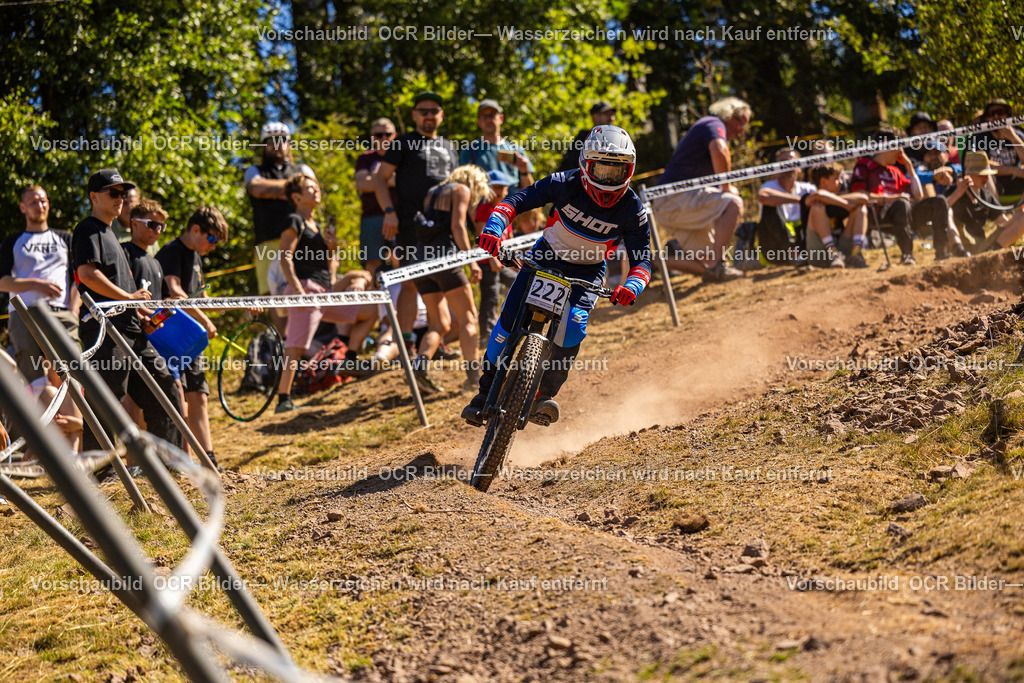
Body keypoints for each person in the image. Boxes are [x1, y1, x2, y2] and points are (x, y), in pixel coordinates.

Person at [463, 125, 651, 427]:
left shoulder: (633, 208)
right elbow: (515, 201)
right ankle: (484, 393)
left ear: (629, 171)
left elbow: (642, 258)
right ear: (585, 164)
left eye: (617, 172)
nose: (607, 180)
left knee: (573, 327)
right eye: (601, 169)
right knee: (506, 324)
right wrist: (493, 229)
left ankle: (543, 396)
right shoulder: (564, 182)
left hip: (589, 270)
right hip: (546, 255)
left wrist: (631, 285)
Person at [71, 169, 182, 452]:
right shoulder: (87, 229)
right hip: (105, 331)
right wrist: (129, 297)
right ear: (94, 197)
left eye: (123, 193)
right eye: (114, 193)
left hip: (133, 332)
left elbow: (126, 293)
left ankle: (166, 464)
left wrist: (145, 315)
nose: (121, 198)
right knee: (106, 398)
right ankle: (102, 470)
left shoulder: (112, 237)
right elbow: (86, 274)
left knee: (165, 388)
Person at [274, 174, 378, 413]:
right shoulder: (295, 220)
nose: (316, 190)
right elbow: (284, 257)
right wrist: (299, 291)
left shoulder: (318, 227)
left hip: (325, 292)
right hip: (305, 289)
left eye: (317, 186)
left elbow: (330, 269)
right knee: (296, 345)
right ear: (296, 197)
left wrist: (332, 249)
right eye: (310, 187)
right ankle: (283, 398)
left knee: (371, 311)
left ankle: (349, 358)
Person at [372, 92, 458, 355]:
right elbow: (379, 178)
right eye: (423, 111)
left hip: (443, 228)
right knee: (410, 281)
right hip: (410, 224)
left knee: (440, 282)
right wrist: (389, 211)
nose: (429, 115)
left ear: (441, 115)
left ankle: (434, 342)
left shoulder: (449, 147)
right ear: (414, 115)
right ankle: (406, 344)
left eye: (434, 110)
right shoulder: (402, 142)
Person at [156, 206, 229, 466]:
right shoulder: (172, 251)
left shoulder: (196, 255)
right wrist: (205, 320)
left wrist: (241, 304)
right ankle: (184, 460)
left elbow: (203, 300)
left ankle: (207, 457)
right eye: (211, 239)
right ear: (196, 229)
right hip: (172, 337)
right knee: (180, 395)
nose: (213, 246)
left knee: (199, 393)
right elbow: (175, 292)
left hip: (192, 337)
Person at [652, 97, 752, 282]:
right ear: (729, 115)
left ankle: (652, 263)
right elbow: (719, 149)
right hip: (673, 199)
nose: (741, 130)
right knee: (733, 203)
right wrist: (727, 187)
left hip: (668, 206)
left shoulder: (706, 128)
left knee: (708, 264)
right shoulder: (713, 123)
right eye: (741, 122)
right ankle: (718, 266)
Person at [408, 165, 488, 395]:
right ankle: (473, 380)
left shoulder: (432, 191)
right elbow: (457, 226)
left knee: (439, 324)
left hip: (422, 262)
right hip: (445, 260)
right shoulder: (460, 190)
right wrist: (471, 260)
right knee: (468, 318)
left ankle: (420, 367)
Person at [0, 185, 80, 390]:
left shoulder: (65, 238)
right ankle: (43, 420)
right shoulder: (12, 241)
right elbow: (3, 281)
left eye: (43, 200)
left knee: (70, 371)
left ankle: (74, 421)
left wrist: (73, 311)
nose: (40, 205)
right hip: (23, 314)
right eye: (33, 202)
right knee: (33, 378)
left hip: (61, 314)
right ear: (22, 207)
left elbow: (77, 280)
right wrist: (36, 284)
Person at [244, 122, 316, 319]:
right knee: (274, 295)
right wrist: (295, 188)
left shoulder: (302, 168)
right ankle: (282, 342)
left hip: (303, 241)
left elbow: (313, 193)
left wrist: (273, 190)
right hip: (268, 241)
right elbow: (257, 188)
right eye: (270, 141)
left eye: (281, 140)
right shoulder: (254, 170)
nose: (276, 145)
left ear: (289, 143)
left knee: (306, 286)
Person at [849, 128, 936, 265]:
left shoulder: (895, 171)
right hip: (875, 213)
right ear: (887, 145)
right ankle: (907, 254)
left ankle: (944, 251)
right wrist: (892, 198)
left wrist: (909, 165)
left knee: (938, 202)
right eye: (899, 146)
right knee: (901, 203)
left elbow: (918, 195)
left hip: (903, 214)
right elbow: (859, 195)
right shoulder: (864, 164)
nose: (901, 151)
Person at [473, 169, 519, 346]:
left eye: (502, 187)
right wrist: (492, 259)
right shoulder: (485, 208)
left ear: (507, 189)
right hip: (488, 262)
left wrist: (514, 259)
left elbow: (511, 238)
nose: (498, 191)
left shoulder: (506, 210)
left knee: (518, 285)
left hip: (503, 261)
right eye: (494, 187)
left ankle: (512, 325)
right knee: (490, 297)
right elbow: (480, 235)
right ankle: (486, 335)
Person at [947, 151, 1024, 252]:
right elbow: (941, 211)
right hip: (962, 249)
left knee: (1022, 217)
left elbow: (1003, 222)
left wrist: (1020, 210)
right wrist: (957, 193)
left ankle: (991, 252)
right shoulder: (953, 192)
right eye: (981, 175)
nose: (986, 178)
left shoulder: (985, 195)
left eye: (987, 174)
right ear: (968, 175)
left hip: (982, 246)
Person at [756, 148, 820, 265]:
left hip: (802, 239)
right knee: (769, 206)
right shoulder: (769, 186)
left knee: (815, 205)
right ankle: (792, 254)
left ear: (799, 167)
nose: (786, 166)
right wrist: (800, 200)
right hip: (774, 246)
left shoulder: (807, 188)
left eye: (790, 161)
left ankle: (805, 254)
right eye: (782, 162)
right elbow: (763, 197)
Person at [460, 99, 534, 193]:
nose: (488, 119)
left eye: (492, 115)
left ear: (501, 118)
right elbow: (463, 188)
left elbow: (530, 193)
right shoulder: (469, 152)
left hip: (513, 206)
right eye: (484, 116)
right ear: (478, 121)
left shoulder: (516, 150)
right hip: (483, 206)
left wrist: (524, 170)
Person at [354, 117, 397, 276]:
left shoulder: (402, 157)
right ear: (373, 138)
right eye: (379, 135)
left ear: (395, 135)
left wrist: (375, 178)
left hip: (398, 217)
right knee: (373, 264)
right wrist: (388, 178)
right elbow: (362, 184)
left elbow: (404, 182)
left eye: (388, 134)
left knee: (402, 261)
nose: (384, 138)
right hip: (372, 218)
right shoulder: (365, 158)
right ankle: (374, 299)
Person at [804, 164, 870, 268]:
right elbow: (820, 195)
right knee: (817, 207)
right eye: (837, 179)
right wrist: (846, 205)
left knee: (860, 208)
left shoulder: (840, 197)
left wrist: (840, 201)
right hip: (819, 253)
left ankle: (856, 252)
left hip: (842, 249)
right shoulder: (809, 197)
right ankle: (832, 253)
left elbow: (863, 197)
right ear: (823, 181)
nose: (841, 182)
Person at [967, 99, 1024, 202]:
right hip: (993, 181)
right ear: (986, 119)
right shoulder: (980, 137)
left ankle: (1020, 212)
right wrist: (1013, 170)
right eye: (991, 114)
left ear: (1007, 115)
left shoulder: (1018, 135)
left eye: (1000, 112)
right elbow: (981, 164)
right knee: (986, 173)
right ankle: (998, 214)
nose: (996, 117)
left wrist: (1012, 137)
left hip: (1016, 181)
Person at [557, 102, 617, 173]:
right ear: (595, 116)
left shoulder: (617, 138)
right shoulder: (584, 137)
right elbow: (569, 164)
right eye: (606, 114)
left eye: (612, 114)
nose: (611, 118)